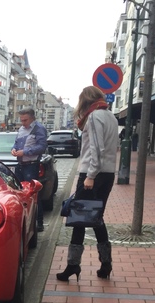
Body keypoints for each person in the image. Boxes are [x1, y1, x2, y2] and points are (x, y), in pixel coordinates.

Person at [56, 86, 119, 282]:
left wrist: (90, 175)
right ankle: (106, 263)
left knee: (79, 219)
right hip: (107, 173)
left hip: (93, 173)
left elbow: (96, 149)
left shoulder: (94, 117)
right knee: (96, 217)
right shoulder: (111, 116)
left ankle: (73, 266)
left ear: (85, 101)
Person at [10, 107, 47, 231]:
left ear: (32, 119)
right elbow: (16, 143)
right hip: (20, 165)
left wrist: (25, 152)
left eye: (25, 120)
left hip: (31, 164)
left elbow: (41, 147)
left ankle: (38, 223)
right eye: (21, 120)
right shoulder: (21, 129)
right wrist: (14, 149)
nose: (23, 123)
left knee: (33, 194)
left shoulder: (39, 129)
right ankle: (24, 221)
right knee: (19, 193)